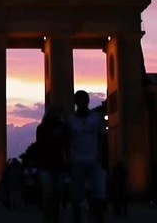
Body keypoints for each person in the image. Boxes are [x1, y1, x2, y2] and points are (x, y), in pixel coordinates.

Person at [67, 90, 106, 223]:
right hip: (77, 161)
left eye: (86, 100)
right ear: (76, 102)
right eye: (81, 101)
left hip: (94, 160)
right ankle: (77, 218)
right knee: (76, 195)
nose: (84, 103)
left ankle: (98, 217)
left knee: (100, 193)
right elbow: (68, 140)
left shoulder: (96, 117)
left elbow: (102, 136)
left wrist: (100, 154)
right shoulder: (70, 120)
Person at [37, 105, 70, 223]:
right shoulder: (42, 128)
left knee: (57, 193)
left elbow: (68, 145)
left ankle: (54, 217)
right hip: (46, 164)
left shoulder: (63, 128)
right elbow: (40, 145)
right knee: (48, 193)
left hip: (58, 164)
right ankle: (48, 217)